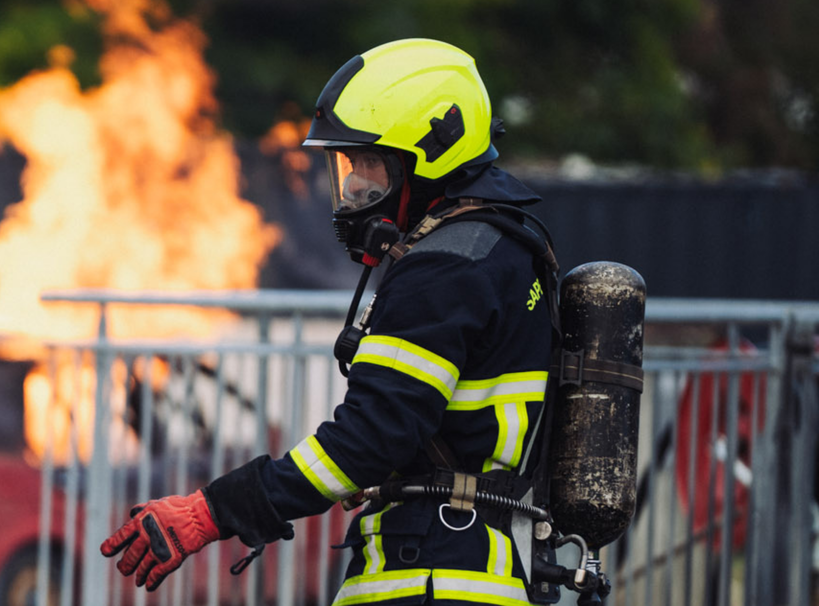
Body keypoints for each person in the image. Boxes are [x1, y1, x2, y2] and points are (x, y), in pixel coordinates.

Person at [101, 39, 560, 605]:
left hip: (428, 577)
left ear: (432, 153)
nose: (357, 187)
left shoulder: (445, 266)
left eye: (372, 164)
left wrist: (212, 510)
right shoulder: (502, 248)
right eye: (349, 166)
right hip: (474, 569)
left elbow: (372, 437)